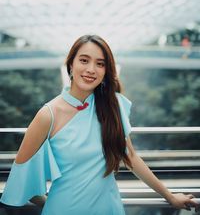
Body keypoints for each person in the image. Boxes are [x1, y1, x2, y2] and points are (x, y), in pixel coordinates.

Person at [0, 34, 199, 214]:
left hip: (109, 209)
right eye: (84, 60)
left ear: (106, 71)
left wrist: (170, 196)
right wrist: (53, 203)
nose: (91, 70)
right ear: (70, 65)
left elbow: (131, 158)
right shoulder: (48, 114)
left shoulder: (113, 106)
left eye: (100, 64)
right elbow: (19, 181)